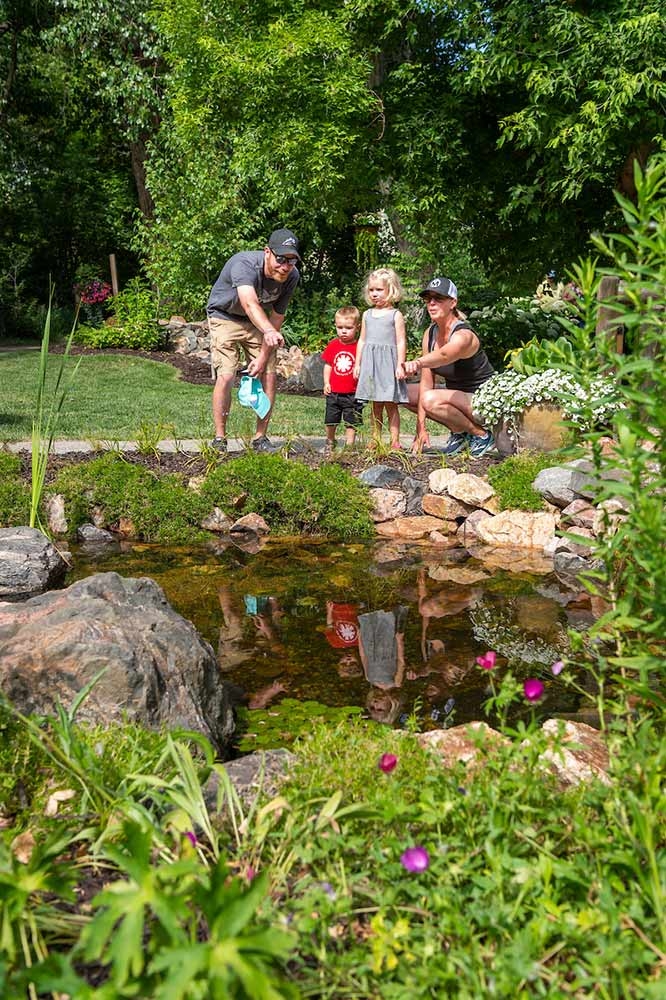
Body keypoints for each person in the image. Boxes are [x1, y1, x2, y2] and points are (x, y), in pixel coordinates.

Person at [206, 228, 301, 453]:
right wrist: (268, 331)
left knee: (268, 374)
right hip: (224, 316)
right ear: (267, 252)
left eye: (291, 261)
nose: (285, 266)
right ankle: (220, 438)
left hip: (258, 322)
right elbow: (249, 303)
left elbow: (277, 317)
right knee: (227, 374)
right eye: (280, 259)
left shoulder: (291, 277)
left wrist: (263, 357)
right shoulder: (245, 264)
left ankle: (260, 438)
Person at [403, 276, 495, 458]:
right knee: (402, 393)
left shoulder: (464, 335)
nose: (432, 303)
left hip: (482, 401)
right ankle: (460, 433)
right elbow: (426, 384)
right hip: (455, 397)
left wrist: (419, 362)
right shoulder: (430, 334)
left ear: (453, 302)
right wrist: (420, 428)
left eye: (438, 299)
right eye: (428, 299)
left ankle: (482, 435)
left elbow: (444, 355)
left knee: (430, 399)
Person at [353, 267, 408, 451]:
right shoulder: (367, 315)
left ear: (390, 290)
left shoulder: (395, 315)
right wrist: (358, 363)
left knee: (391, 405)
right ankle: (375, 438)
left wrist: (400, 365)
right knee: (375, 406)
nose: (375, 294)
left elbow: (401, 342)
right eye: (372, 290)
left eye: (379, 290)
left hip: (389, 365)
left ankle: (395, 441)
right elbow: (362, 340)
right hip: (371, 364)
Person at [321, 306, 364, 455]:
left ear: (357, 327)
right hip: (334, 392)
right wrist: (327, 383)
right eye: (340, 327)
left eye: (348, 328)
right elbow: (328, 365)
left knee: (351, 421)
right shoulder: (333, 345)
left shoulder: (359, 347)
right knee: (331, 419)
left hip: (353, 393)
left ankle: (349, 446)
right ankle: (330, 440)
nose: (343, 331)